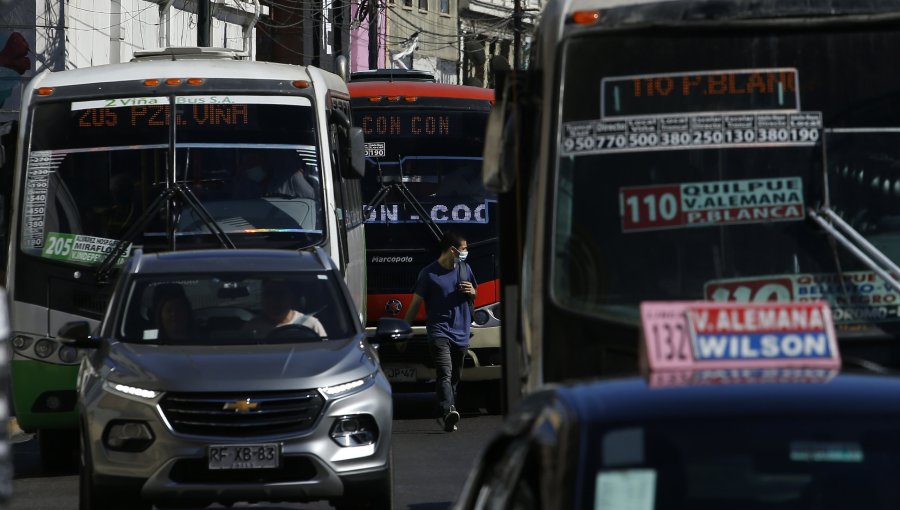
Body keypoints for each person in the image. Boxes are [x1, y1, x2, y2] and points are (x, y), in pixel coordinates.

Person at [404, 230, 477, 432]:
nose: (466, 252)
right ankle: (449, 410)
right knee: (445, 372)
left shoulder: (465, 269)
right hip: (439, 332)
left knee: (454, 377)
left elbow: (475, 293)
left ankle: (445, 412)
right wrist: (403, 331)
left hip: (461, 332)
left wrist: (472, 291)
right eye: (464, 248)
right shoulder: (428, 274)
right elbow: (414, 304)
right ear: (452, 250)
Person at [243, 279, 327, 338]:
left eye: (279, 295)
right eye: (268, 294)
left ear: (292, 299)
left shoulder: (311, 324)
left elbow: (325, 354)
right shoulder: (252, 328)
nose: (273, 300)